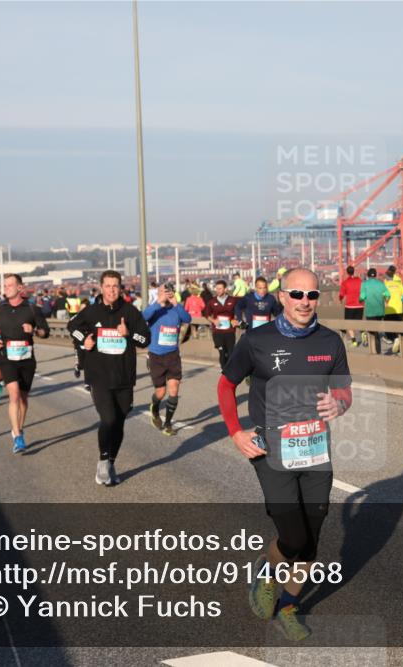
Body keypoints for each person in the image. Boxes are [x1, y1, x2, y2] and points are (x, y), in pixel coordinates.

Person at [217, 267, 352, 641]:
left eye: (311, 295)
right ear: (282, 296)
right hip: (271, 451)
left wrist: (339, 404)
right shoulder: (257, 340)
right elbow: (226, 385)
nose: (305, 302)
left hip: (315, 452)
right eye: (297, 295)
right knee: (293, 539)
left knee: (311, 541)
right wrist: (235, 432)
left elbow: (344, 390)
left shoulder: (330, 341)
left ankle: (288, 606)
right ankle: (266, 569)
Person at [68, 270, 151, 485]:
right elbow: (72, 326)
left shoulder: (131, 312)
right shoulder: (92, 312)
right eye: (108, 286)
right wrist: (82, 342)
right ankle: (103, 462)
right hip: (99, 376)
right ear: (101, 287)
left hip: (124, 377)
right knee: (108, 419)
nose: (112, 290)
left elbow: (145, 340)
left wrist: (128, 334)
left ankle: (111, 461)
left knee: (120, 422)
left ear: (120, 288)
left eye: (116, 286)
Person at [0, 274, 50, 454]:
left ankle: (19, 428)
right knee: (14, 395)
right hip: (7, 357)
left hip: (26, 359)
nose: (6, 288)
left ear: (19, 288)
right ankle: (17, 436)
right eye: (5, 285)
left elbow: (45, 332)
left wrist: (33, 330)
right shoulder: (0, 308)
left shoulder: (32, 309)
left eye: (10, 285)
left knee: (23, 399)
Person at [143, 283, 191, 436]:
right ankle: (155, 407)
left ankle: (168, 424)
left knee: (174, 389)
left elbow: (187, 318)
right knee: (160, 391)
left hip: (173, 355)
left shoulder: (176, 309)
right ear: (158, 293)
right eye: (164, 291)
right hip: (156, 355)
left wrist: (176, 303)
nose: (167, 294)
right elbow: (143, 317)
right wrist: (159, 301)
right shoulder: (154, 308)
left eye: (169, 291)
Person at [203, 279, 240, 370]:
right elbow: (206, 314)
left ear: (225, 289)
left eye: (220, 288)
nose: (218, 290)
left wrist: (235, 320)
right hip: (218, 331)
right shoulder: (212, 302)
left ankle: (230, 369)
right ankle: (224, 370)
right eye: (217, 288)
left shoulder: (233, 300)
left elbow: (238, 313)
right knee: (222, 352)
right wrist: (214, 320)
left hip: (230, 331)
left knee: (230, 352)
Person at [358, 267, 390, 353]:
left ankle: (374, 352)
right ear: (375, 275)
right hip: (380, 311)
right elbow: (388, 295)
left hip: (370, 312)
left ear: (368, 275)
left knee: (373, 332)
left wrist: (360, 300)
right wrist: (386, 301)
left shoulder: (364, 284)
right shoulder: (381, 284)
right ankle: (377, 350)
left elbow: (362, 296)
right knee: (376, 332)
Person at [383, 265, 403, 354]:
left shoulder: (386, 282)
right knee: (399, 324)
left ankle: (394, 339)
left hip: (389, 308)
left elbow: (384, 295)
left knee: (388, 325)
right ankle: (401, 338)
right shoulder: (398, 281)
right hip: (399, 308)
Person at [338, 265, 364, 346]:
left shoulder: (345, 282)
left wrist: (340, 299)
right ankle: (363, 333)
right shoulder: (360, 281)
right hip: (360, 305)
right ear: (354, 271)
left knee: (348, 324)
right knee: (358, 322)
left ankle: (354, 341)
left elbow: (341, 294)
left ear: (347, 272)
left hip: (349, 306)